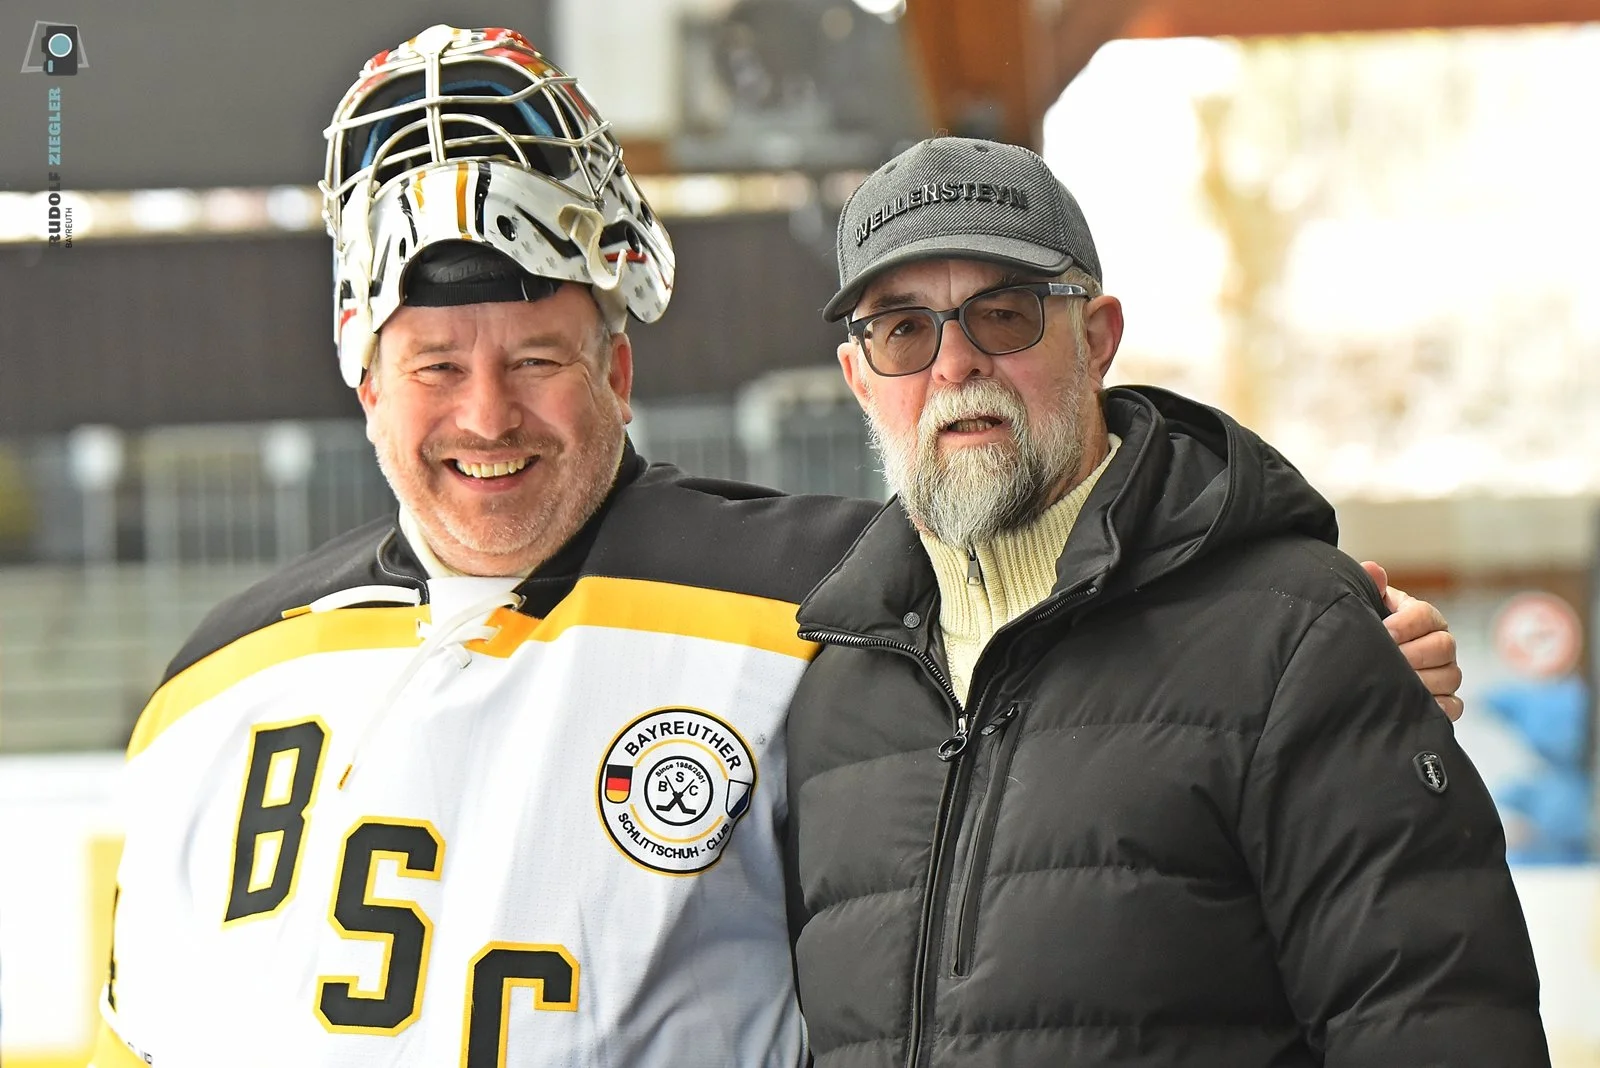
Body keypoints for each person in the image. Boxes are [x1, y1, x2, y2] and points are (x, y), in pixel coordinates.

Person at [91, 27, 1464, 1068]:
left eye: (540, 359)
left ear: (620, 366)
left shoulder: (827, 594)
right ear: (363, 375)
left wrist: (1308, 641)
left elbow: (1102, 612)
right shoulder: (209, 688)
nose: (488, 416)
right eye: (436, 363)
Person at [782, 136, 1549, 1067]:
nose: (954, 367)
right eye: (903, 331)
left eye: (1004, 314)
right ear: (861, 377)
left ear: (1097, 336)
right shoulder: (826, 692)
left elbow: (1436, 1023)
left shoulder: (1294, 637)